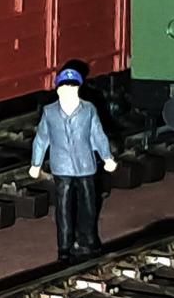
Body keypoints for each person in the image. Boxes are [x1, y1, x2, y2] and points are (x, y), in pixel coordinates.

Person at [29, 68, 118, 262]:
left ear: (78, 89)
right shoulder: (50, 112)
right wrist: (36, 164)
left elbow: (97, 135)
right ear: (59, 90)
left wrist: (107, 157)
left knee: (88, 205)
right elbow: (42, 139)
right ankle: (64, 246)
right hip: (62, 166)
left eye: (73, 87)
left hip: (86, 165)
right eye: (65, 88)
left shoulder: (88, 109)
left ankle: (88, 240)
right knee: (63, 208)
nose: (69, 91)